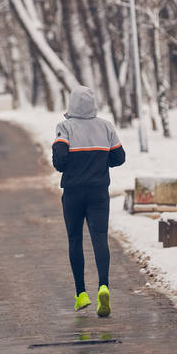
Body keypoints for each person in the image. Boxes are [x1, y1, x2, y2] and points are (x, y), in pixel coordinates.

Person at [52, 85, 126, 317]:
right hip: (98, 193)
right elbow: (119, 157)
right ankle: (104, 286)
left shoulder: (65, 127)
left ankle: (81, 293)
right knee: (100, 238)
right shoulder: (106, 126)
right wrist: (100, 163)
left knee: (75, 240)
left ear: (72, 104)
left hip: (73, 194)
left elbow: (59, 162)